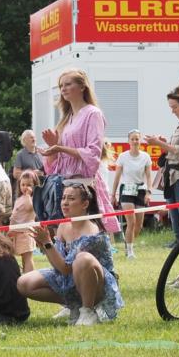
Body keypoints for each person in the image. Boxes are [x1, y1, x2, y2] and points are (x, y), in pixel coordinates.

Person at [17, 182, 124, 326]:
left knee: (82, 259)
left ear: (85, 204)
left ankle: (88, 311)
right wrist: (44, 244)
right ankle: (73, 306)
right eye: (63, 198)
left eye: (71, 199)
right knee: (24, 283)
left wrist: (47, 243)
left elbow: (66, 268)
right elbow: (58, 266)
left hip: (97, 286)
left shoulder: (92, 232)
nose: (65, 203)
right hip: (69, 278)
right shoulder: (63, 225)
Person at [39, 70, 121, 237]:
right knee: (68, 238)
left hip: (84, 185)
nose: (63, 88)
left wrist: (60, 148)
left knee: (88, 236)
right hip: (66, 184)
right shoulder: (66, 118)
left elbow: (93, 153)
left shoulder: (93, 113)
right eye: (61, 85)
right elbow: (56, 165)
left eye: (68, 84)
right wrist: (53, 148)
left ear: (82, 86)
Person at [146, 86, 179, 284]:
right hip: (171, 178)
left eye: (175, 106)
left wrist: (161, 145)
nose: (172, 110)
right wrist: (165, 145)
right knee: (177, 229)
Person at [111, 129, 153, 259]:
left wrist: (148, 192)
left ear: (140, 141)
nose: (135, 141)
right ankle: (130, 251)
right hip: (127, 189)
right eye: (133, 139)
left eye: (137, 139)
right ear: (129, 141)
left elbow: (149, 176)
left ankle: (128, 243)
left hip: (140, 189)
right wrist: (113, 194)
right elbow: (117, 177)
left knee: (139, 225)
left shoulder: (145, 156)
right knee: (131, 222)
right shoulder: (123, 156)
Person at [9, 170, 39, 273]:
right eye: (23, 184)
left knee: (27, 258)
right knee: (21, 258)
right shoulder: (19, 198)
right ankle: (24, 276)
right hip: (16, 233)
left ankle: (29, 277)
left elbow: (29, 207)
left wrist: (27, 196)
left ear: (35, 185)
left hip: (26, 232)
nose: (25, 187)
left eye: (29, 185)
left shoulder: (32, 198)